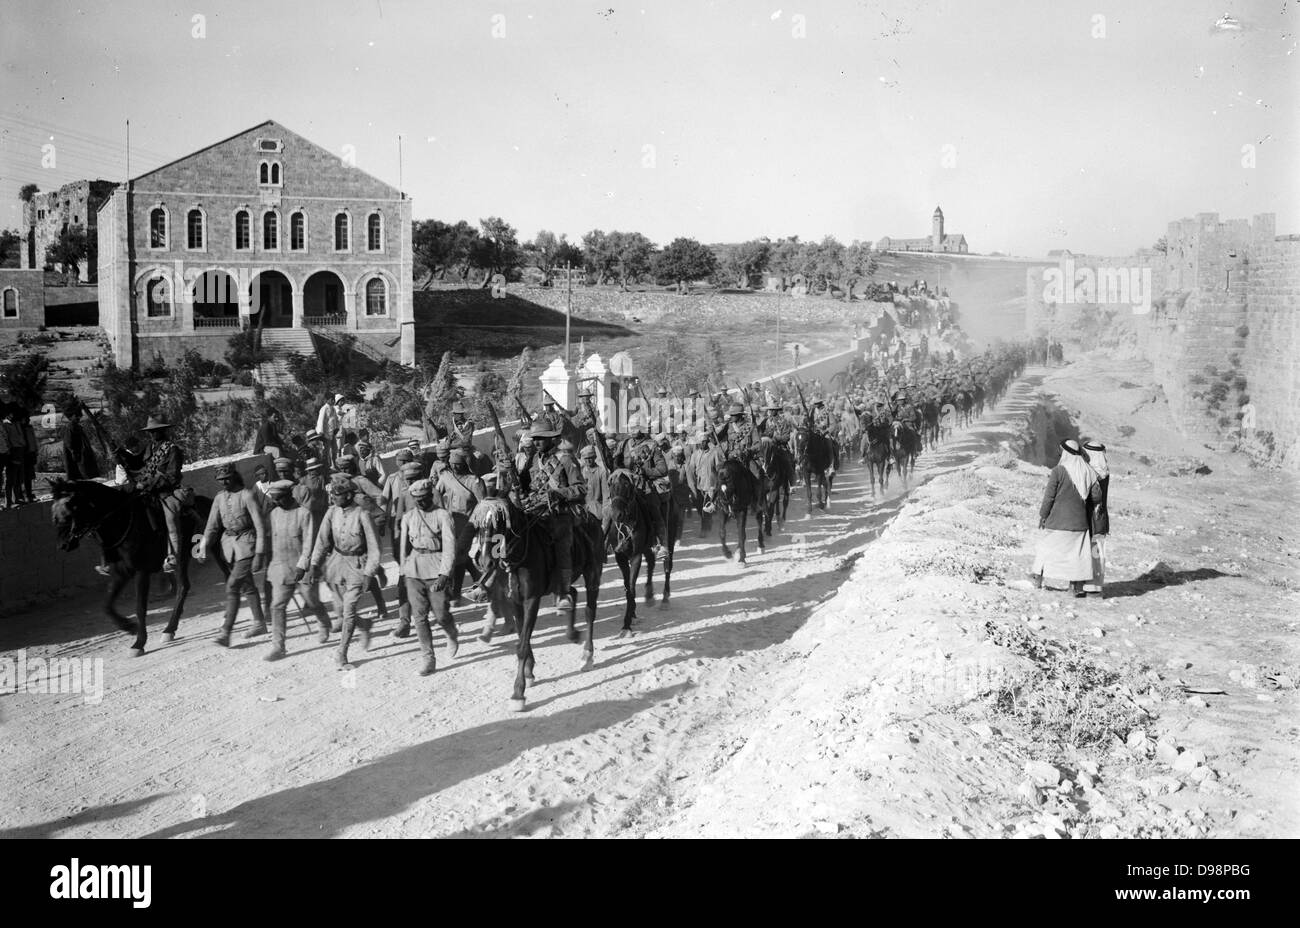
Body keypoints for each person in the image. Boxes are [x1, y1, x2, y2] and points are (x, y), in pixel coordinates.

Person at [309, 474, 381, 669]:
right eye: (333, 494)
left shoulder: (363, 515)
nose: (334, 497)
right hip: (336, 563)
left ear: (349, 495)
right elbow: (321, 541)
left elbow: (374, 547)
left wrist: (369, 572)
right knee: (341, 610)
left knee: (348, 610)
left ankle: (342, 651)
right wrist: (314, 564)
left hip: (357, 564)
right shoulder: (331, 513)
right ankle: (364, 625)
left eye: (338, 495)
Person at [198, 463, 268, 646]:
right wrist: (202, 547)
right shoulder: (219, 498)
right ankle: (260, 622)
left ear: (235, 476)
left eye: (227, 478)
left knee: (232, 585)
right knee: (247, 586)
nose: (224, 482)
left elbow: (260, 525)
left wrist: (260, 552)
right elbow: (211, 526)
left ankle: (225, 632)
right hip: (228, 547)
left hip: (247, 544)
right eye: (221, 480)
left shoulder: (247, 495)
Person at [262, 479, 332, 659]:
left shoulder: (304, 513)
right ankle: (278, 646)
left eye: (279, 498)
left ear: (288, 495)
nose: (276, 502)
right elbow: (274, 542)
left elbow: (309, 543)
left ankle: (324, 623)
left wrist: (303, 565)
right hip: (281, 569)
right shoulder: (274, 514)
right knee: (277, 606)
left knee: (311, 601)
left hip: (302, 568)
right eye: (274, 499)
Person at [516, 418, 585, 598]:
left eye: (541, 438)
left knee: (562, 544)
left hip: (559, 512)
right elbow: (523, 485)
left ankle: (563, 591)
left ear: (551, 439)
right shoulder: (532, 460)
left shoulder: (566, 459)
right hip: (534, 510)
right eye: (535, 438)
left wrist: (558, 493)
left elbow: (581, 488)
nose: (537, 442)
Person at [398, 478, 459, 676]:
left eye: (424, 499)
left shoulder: (443, 515)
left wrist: (444, 573)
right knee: (420, 616)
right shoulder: (408, 517)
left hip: (436, 567)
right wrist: (403, 570)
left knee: (441, 614)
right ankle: (428, 657)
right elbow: (404, 548)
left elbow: (450, 546)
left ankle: (451, 633)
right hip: (414, 568)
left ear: (431, 496)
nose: (421, 503)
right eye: (417, 500)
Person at [1030, 439, 1102, 598]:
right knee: (1077, 556)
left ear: (1066, 453)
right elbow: (1097, 496)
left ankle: (1037, 578)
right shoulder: (1088, 472)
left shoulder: (1058, 471)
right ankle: (1076, 588)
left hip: (1057, 522)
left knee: (1045, 548)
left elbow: (1049, 497)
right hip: (1079, 523)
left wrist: (1043, 515)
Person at [116, 416, 186, 571]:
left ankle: (174, 555)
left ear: (163, 430)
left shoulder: (172, 449)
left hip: (166, 492)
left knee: (170, 519)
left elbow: (172, 476)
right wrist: (120, 453)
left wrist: (149, 484)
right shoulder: (150, 447)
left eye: (156, 431)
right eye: (151, 432)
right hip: (147, 491)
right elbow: (137, 462)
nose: (153, 434)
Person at [1082, 440, 1110, 598]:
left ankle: (1089, 587)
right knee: (1097, 551)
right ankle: (1095, 586)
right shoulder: (1104, 471)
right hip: (1100, 517)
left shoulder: (1092, 472)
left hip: (1090, 516)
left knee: (1090, 551)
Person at [315, 395, 341, 469]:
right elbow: (321, 421)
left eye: (334, 400)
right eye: (331, 399)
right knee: (326, 451)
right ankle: (326, 466)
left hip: (332, 433)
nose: (333, 401)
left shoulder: (333, 409)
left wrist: (337, 428)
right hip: (325, 434)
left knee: (334, 450)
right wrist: (320, 432)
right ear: (327, 400)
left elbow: (336, 420)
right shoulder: (324, 409)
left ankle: (334, 465)